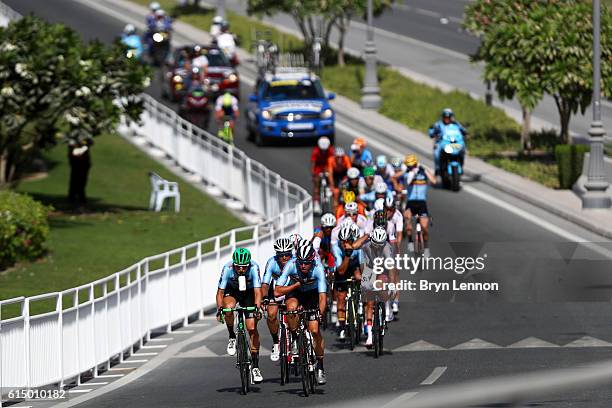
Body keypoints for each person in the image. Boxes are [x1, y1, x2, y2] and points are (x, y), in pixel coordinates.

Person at [274, 244, 328, 385]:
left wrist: (320, 313)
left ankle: (320, 367)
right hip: (295, 292)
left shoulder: (318, 268)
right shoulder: (291, 264)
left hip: (312, 294)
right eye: (301, 263)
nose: (303, 266)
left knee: (315, 330)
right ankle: (295, 338)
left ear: (312, 261)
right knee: (291, 309)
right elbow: (277, 291)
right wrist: (295, 285)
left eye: (306, 263)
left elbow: (322, 297)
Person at [216, 248, 263, 383]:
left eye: (244, 267)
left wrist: (257, 309)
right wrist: (220, 310)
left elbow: (258, 292)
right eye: (238, 267)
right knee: (229, 309)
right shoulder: (227, 268)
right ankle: (232, 336)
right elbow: (220, 292)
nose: (241, 269)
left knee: (252, 328)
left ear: (248, 264)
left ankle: (255, 367)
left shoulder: (254, 267)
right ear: (234, 264)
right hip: (232, 291)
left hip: (249, 293)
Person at [392, 154, 436, 259]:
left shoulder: (422, 171)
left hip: (421, 203)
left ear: (416, 164)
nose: (411, 167)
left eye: (412, 165)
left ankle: (426, 248)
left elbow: (434, 181)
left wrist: (424, 170)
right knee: (407, 222)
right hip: (411, 202)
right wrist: (397, 187)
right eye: (409, 166)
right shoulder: (407, 173)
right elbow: (394, 177)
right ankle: (411, 240)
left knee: (425, 228)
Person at [356, 227, 394, 346]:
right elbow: (363, 267)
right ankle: (370, 335)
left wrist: (392, 285)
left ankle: (386, 305)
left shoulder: (387, 248)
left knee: (382, 289)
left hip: (383, 270)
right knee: (370, 302)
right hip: (369, 269)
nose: (377, 246)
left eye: (380, 244)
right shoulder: (365, 247)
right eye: (375, 244)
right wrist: (366, 282)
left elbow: (391, 268)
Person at [261, 238, 294, 362]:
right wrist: (264, 298)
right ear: (277, 255)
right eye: (281, 255)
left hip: (292, 288)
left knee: (297, 311)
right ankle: (276, 343)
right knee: (271, 315)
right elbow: (265, 283)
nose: (285, 258)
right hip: (275, 291)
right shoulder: (272, 262)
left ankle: (299, 338)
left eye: (287, 255)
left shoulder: (296, 262)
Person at [332, 224, 364, 340]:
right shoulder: (336, 248)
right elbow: (340, 271)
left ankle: (360, 302)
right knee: (341, 298)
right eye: (342, 241)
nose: (344, 244)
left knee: (360, 277)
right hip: (342, 268)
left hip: (354, 267)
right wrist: (347, 254)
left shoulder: (357, 247)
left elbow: (362, 265)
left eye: (348, 241)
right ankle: (341, 328)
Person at [428, 108, 467, 175]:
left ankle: (461, 165)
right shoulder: (438, 124)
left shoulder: (456, 124)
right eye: (445, 117)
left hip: (454, 143)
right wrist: (432, 133)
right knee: (436, 153)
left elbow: (463, 130)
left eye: (448, 117)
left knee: (462, 151)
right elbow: (432, 131)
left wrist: (465, 133)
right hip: (442, 143)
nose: (447, 119)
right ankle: (438, 168)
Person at [311, 136, 335, 214]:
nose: (324, 152)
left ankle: (328, 188)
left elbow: (332, 162)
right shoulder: (315, 151)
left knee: (330, 177)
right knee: (317, 183)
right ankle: (316, 203)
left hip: (328, 166)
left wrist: (331, 173)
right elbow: (313, 164)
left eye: (325, 150)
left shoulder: (331, 150)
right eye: (322, 150)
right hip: (318, 168)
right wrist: (314, 174)